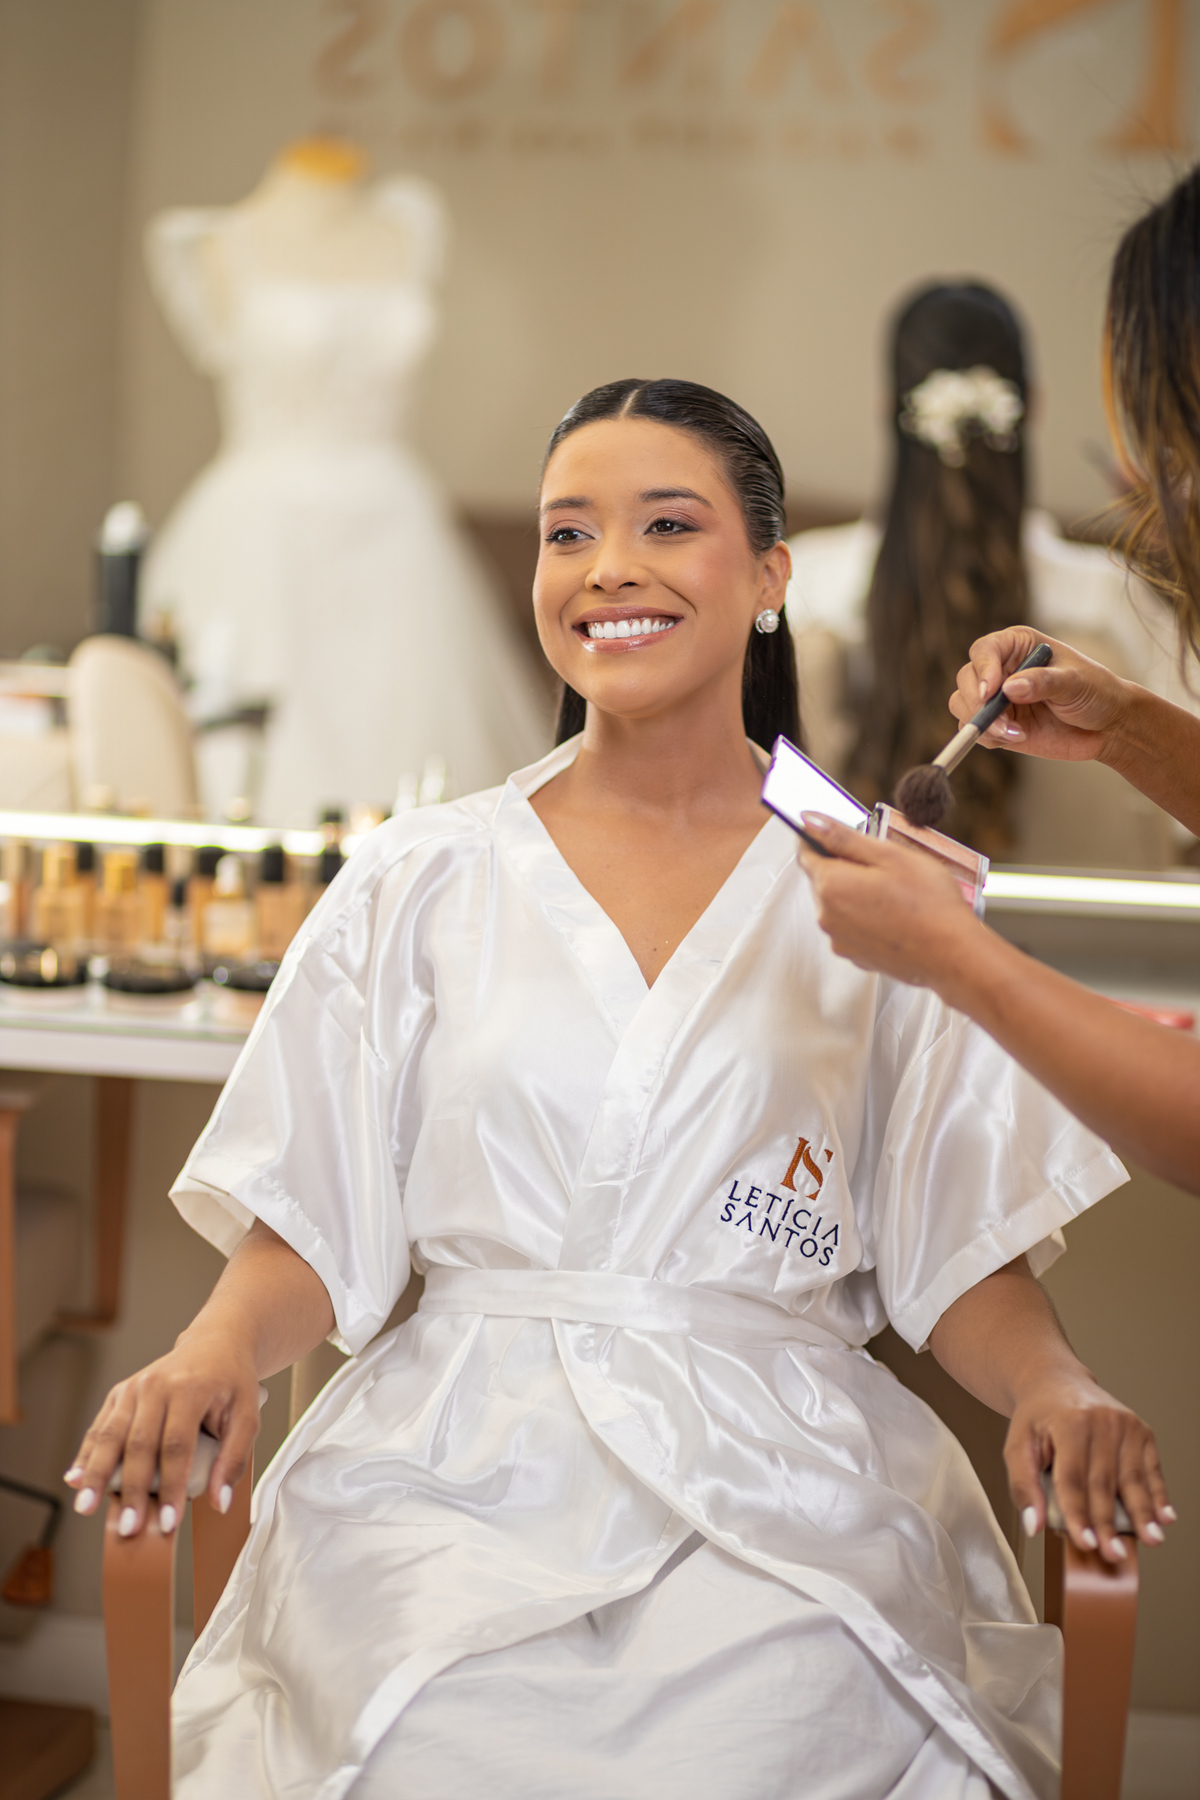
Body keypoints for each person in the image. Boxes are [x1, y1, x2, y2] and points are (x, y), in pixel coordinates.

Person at [65, 380, 1169, 1800]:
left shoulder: (884, 888)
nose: (609, 569)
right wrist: (208, 1351)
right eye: (568, 532)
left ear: (770, 577)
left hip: (782, 1492)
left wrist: (1058, 1385)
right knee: (432, 1743)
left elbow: (965, 1256)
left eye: (668, 525)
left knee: (790, 1735)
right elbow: (309, 1227)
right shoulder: (420, 876)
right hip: (449, 1479)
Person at [797, 167, 1200, 1196]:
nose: (1160, 491)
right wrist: (1129, 727)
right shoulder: (1120, 614)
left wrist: (958, 955)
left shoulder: (800, 605)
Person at [142, 134, 548, 824]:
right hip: (262, 525)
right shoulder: (214, 243)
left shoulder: (410, 227)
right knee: (249, 743)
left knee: (412, 728)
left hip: (394, 524)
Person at [786, 280, 1188, 864]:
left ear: (887, 405)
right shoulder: (1112, 599)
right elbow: (1184, 816)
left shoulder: (804, 587)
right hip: (1084, 921)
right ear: (1033, 404)